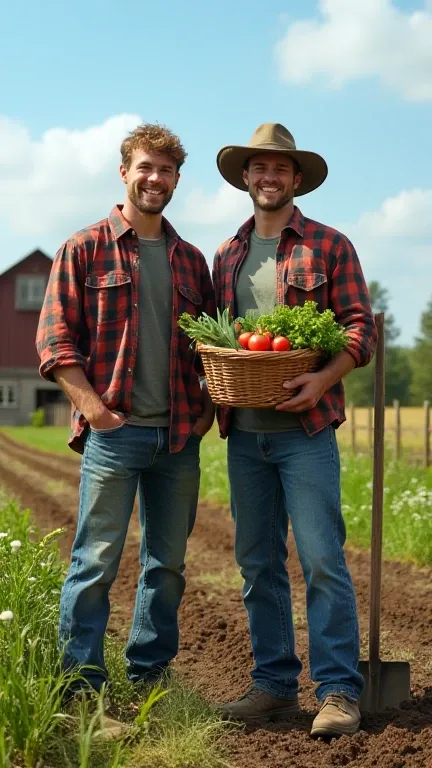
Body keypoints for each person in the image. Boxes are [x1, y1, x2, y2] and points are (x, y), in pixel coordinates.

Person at [36, 123, 216, 720]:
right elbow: (55, 341)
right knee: (95, 563)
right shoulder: (84, 247)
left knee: (166, 568)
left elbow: (209, 348)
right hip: (115, 436)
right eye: (145, 167)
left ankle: (148, 678)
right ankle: (80, 691)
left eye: (166, 170)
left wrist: (209, 408)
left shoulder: (192, 261)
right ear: (124, 172)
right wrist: (95, 411)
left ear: (176, 180)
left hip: (178, 438)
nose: (155, 178)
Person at [212, 123, 377, 737]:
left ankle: (337, 691)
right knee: (257, 563)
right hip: (245, 432)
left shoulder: (331, 246)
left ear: (296, 179)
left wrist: (323, 379)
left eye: (280, 169)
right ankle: (275, 686)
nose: (269, 178)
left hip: (306, 433)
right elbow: (218, 340)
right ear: (246, 179)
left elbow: (360, 329)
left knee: (321, 559)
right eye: (259, 169)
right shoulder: (226, 255)